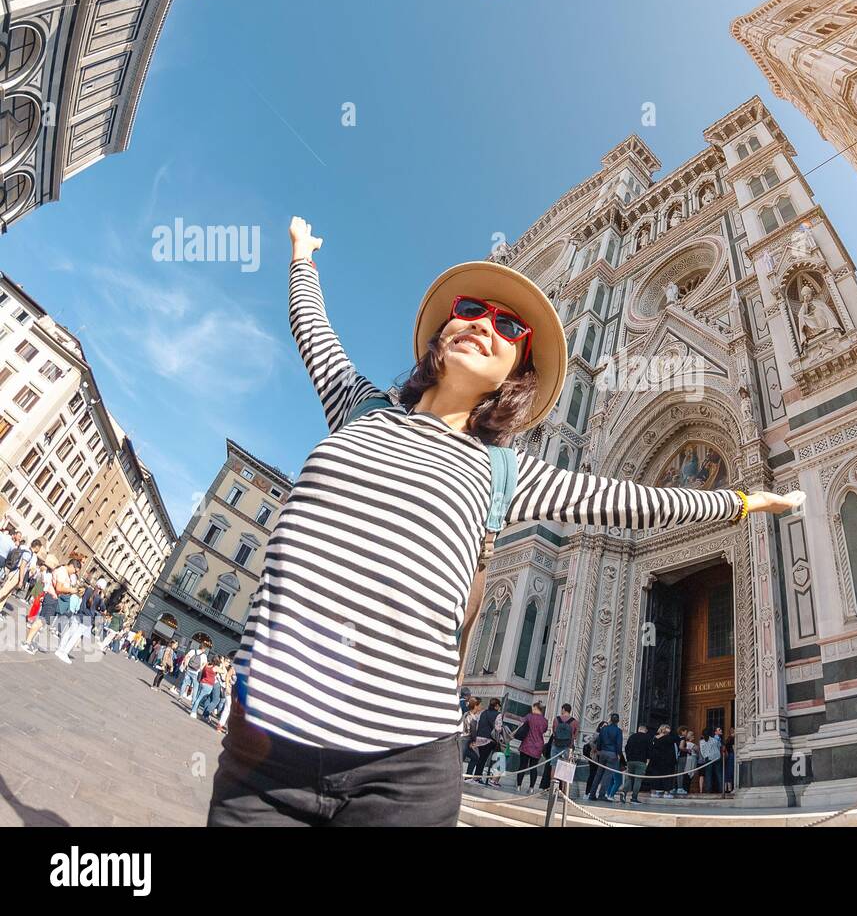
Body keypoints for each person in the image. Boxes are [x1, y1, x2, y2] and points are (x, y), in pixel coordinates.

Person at [206, 217, 799, 827]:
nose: (483, 324)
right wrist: (303, 257)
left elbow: (635, 500)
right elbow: (314, 330)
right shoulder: (361, 408)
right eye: (469, 309)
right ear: (441, 332)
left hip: (403, 772)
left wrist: (745, 502)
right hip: (267, 755)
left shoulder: (506, 474)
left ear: (518, 375)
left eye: (508, 325)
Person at [514, 701, 547, 791]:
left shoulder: (529, 716)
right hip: (538, 746)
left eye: (533, 708)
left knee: (522, 766)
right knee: (534, 767)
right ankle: (531, 787)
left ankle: (518, 786)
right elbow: (544, 731)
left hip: (527, 745)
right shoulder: (545, 721)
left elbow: (521, 722)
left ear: (536, 708)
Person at [590, 713, 623, 802]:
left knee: (598, 774)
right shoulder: (618, 731)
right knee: (607, 776)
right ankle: (601, 794)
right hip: (612, 754)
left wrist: (599, 750)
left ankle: (592, 793)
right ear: (618, 721)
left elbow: (599, 741)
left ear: (611, 720)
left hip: (603, 752)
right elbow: (619, 744)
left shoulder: (604, 729)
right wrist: (619, 754)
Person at [470, 698, 502, 781]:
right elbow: (498, 728)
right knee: (483, 759)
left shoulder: (483, 712)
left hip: (479, 738)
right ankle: (477, 778)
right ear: (496, 706)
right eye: (499, 706)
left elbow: (477, 723)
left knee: (479, 758)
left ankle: (475, 776)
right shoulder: (498, 714)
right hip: (488, 740)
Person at [623, 724, 652, 804]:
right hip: (641, 761)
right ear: (645, 730)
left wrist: (628, 758)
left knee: (629, 778)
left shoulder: (632, 737)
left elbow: (626, 748)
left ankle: (624, 793)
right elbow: (650, 750)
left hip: (630, 761)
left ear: (638, 729)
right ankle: (634, 798)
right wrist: (648, 761)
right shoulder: (647, 737)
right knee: (638, 780)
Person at [648, 725, 677, 798]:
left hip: (655, 760)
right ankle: (666, 792)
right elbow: (676, 739)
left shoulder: (654, 738)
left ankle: (654, 791)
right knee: (667, 776)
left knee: (655, 776)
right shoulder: (669, 739)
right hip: (666, 761)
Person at [461, 696, 481, 773]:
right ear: (475, 706)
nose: (481, 707)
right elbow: (473, 731)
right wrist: (474, 741)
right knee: (474, 757)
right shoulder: (473, 717)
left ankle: (467, 776)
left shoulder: (466, 713)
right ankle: (467, 776)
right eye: (480, 705)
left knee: (470, 757)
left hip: (463, 739)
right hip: (466, 740)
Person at [699, 727, 723, 794]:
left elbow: (702, 751)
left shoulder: (701, 742)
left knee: (708, 775)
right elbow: (719, 747)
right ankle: (721, 790)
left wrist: (705, 756)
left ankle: (708, 790)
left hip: (708, 759)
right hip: (717, 758)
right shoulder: (715, 740)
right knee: (719, 774)